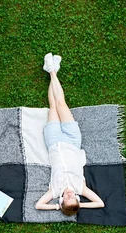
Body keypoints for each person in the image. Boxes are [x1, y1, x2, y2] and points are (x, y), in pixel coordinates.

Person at [35, 53, 105, 215]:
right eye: (73, 197)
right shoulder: (80, 188)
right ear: (78, 199)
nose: (69, 195)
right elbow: (99, 203)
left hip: (53, 142)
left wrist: (56, 206)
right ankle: (52, 71)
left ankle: (52, 71)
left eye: (67, 199)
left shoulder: (54, 191)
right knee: (61, 103)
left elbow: (39, 205)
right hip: (73, 140)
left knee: (53, 106)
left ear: (61, 201)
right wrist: (80, 206)